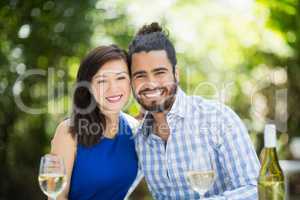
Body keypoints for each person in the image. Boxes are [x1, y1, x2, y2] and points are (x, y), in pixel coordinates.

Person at [128, 22, 260, 199]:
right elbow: (114, 187)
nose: (150, 83)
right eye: (140, 75)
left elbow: (254, 189)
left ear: (176, 74)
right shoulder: (138, 138)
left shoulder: (219, 119)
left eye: (159, 72)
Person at [50, 45, 141, 200]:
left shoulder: (134, 129)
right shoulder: (68, 132)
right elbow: (56, 196)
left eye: (120, 77)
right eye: (102, 81)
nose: (113, 88)